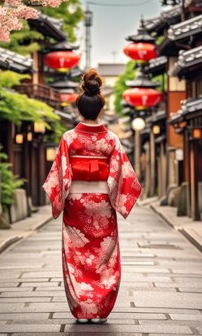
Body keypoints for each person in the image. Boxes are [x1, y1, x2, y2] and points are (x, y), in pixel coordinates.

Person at [42, 69, 142, 324]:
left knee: (76, 255)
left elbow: (60, 175)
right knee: (103, 256)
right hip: (102, 205)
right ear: (100, 109)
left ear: (79, 109)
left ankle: (81, 307)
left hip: (76, 204)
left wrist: (60, 199)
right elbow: (123, 174)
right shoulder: (110, 139)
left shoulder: (69, 138)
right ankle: (100, 307)